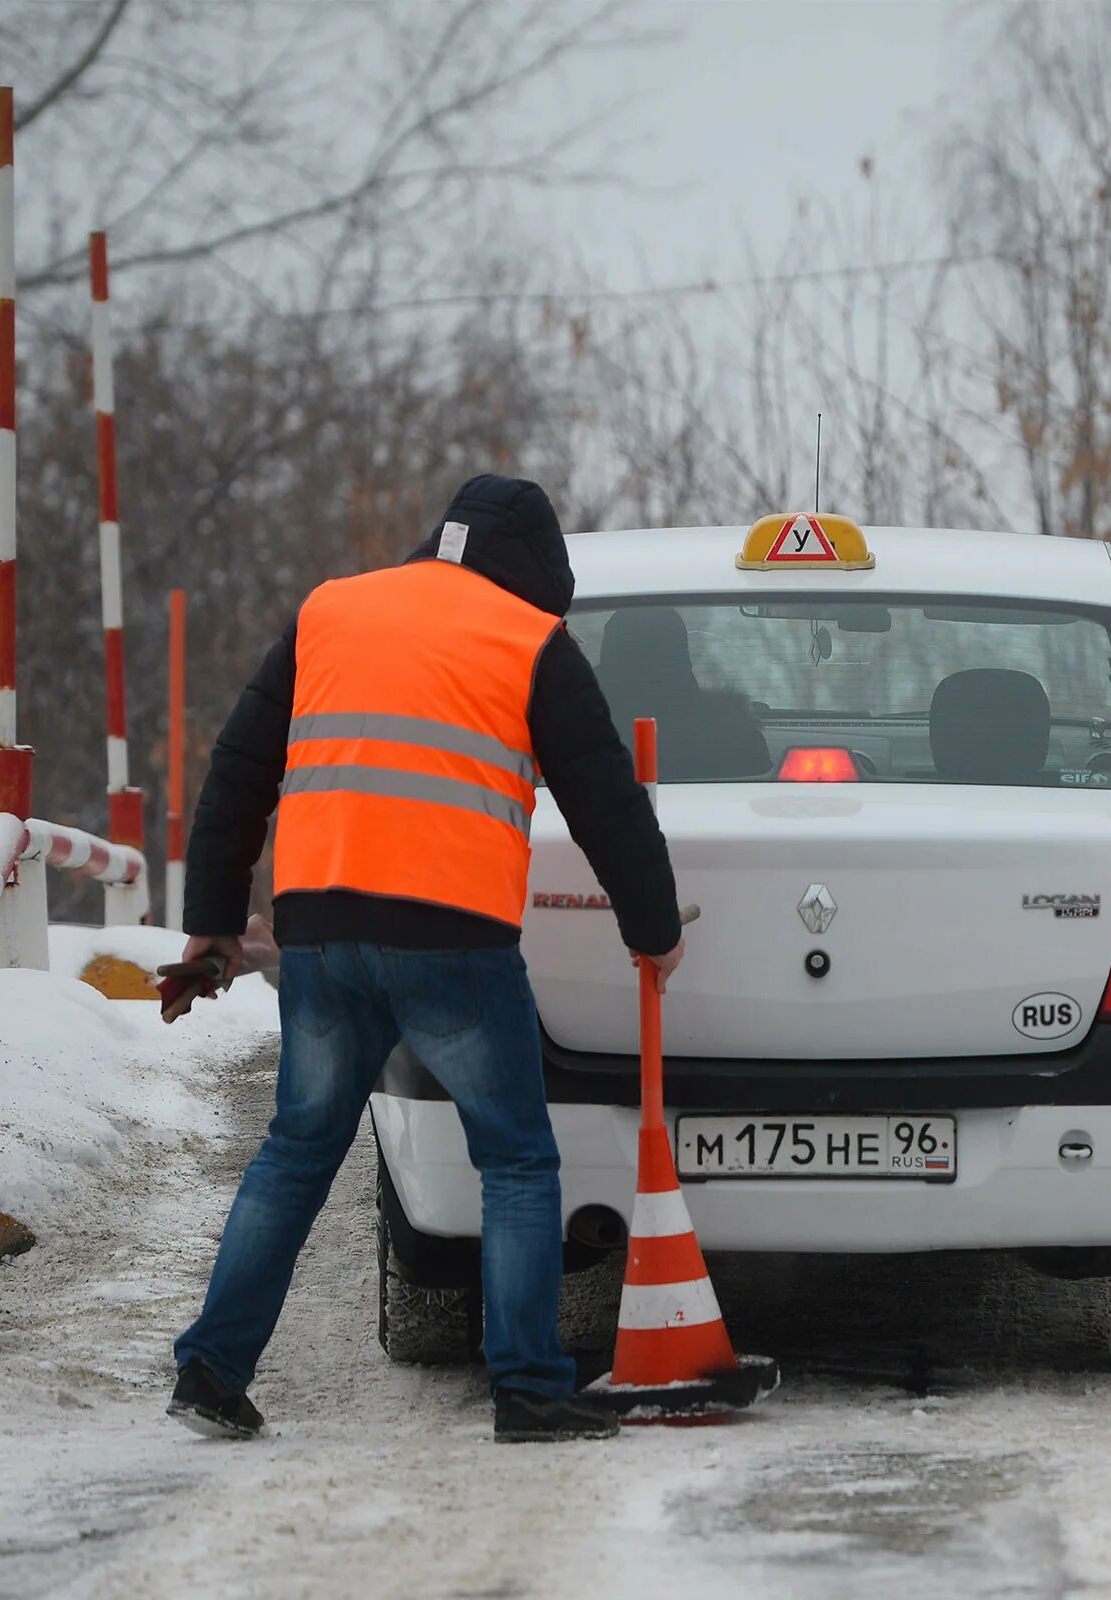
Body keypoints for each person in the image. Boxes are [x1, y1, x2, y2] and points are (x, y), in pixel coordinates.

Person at [166, 474, 682, 1444]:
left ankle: (211, 1367)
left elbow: (239, 766)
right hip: (451, 935)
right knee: (518, 1159)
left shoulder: (331, 609)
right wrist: (652, 928)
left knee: (295, 1151)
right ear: (539, 574)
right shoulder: (531, 639)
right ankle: (530, 1386)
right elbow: (605, 799)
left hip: (320, 928)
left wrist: (212, 920)